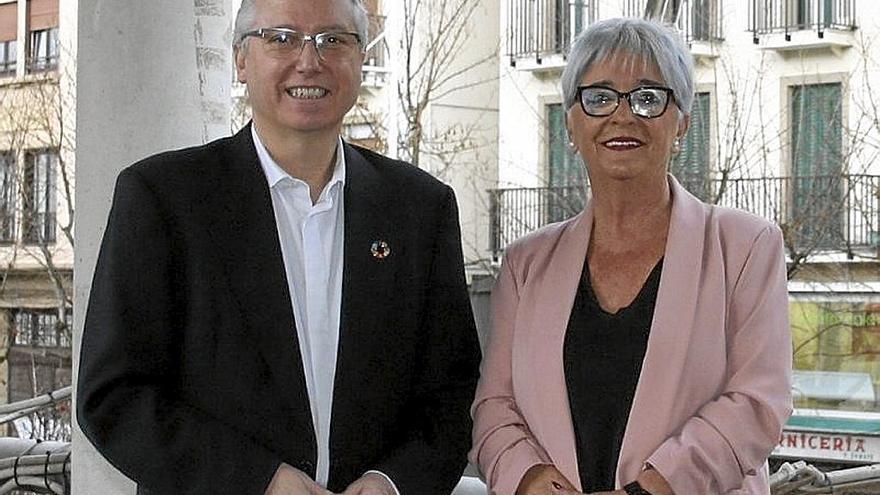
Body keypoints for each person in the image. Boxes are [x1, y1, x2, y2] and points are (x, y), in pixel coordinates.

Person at [76, 0, 481, 493]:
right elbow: (114, 396)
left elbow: (450, 391)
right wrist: (258, 481)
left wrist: (390, 482)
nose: (309, 60)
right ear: (241, 60)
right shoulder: (165, 198)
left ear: (360, 58)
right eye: (282, 38)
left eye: (334, 40)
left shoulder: (421, 209)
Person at [470, 18, 792, 495]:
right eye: (599, 97)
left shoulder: (745, 246)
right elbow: (495, 406)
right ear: (571, 122)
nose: (623, 116)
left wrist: (652, 489)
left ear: (681, 120)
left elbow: (758, 402)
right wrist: (531, 478)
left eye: (648, 97)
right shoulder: (526, 263)